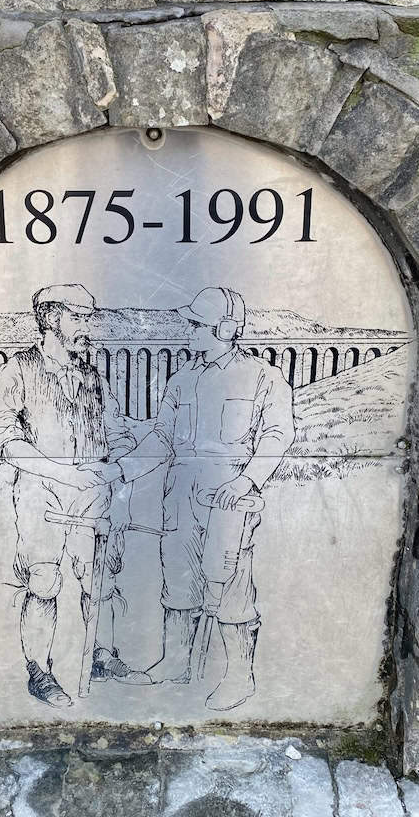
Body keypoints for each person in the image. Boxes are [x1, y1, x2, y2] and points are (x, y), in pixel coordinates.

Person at [102, 286, 295, 711]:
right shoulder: (183, 379)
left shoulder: (263, 376)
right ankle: (175, 662)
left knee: (231, 584)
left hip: (229, 495)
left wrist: (249, 480)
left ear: (226, 329)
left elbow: (278, 434)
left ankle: (239, 675)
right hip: (182, 492)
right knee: (178, 579)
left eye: (197, 325)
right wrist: (120, 470)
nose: (189, 332)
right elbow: (161, 437)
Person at [0, 283, 143, 708]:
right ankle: (39, 670)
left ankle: (99, 655)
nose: (88, 325)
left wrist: (114, 468)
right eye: (80, 317)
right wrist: (59, 472)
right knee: (44, 582)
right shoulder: (20, 370)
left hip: (92, 493)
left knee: (99, 579)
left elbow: (118, 432)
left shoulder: (92, 376)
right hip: (42, 493)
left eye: (89, 317)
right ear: (53, 319)